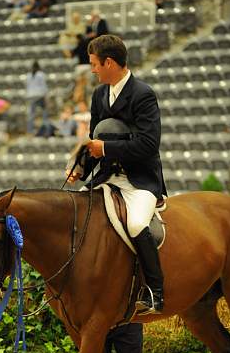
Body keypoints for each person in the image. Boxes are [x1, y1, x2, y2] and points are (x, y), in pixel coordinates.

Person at [67, 34, 166, 314]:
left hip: (140, 180)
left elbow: (149, 144)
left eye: (95, 64)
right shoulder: (99, 94)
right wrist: (80, 168)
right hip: (107, 178)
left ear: (109, 62)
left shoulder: (142, 94)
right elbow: (93, 140)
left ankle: (155, 292)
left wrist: (106, 148)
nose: (93, 70)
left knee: (135, 224)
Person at [26, 61, 49, 135]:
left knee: (31, 114)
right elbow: (44, 86)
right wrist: (46, 96)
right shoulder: (41, 74)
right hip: (40, 95)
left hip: (30, 95)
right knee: (44, 111)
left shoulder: (28, 75)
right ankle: (45, 129)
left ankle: (30, 130)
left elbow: (27, 86)